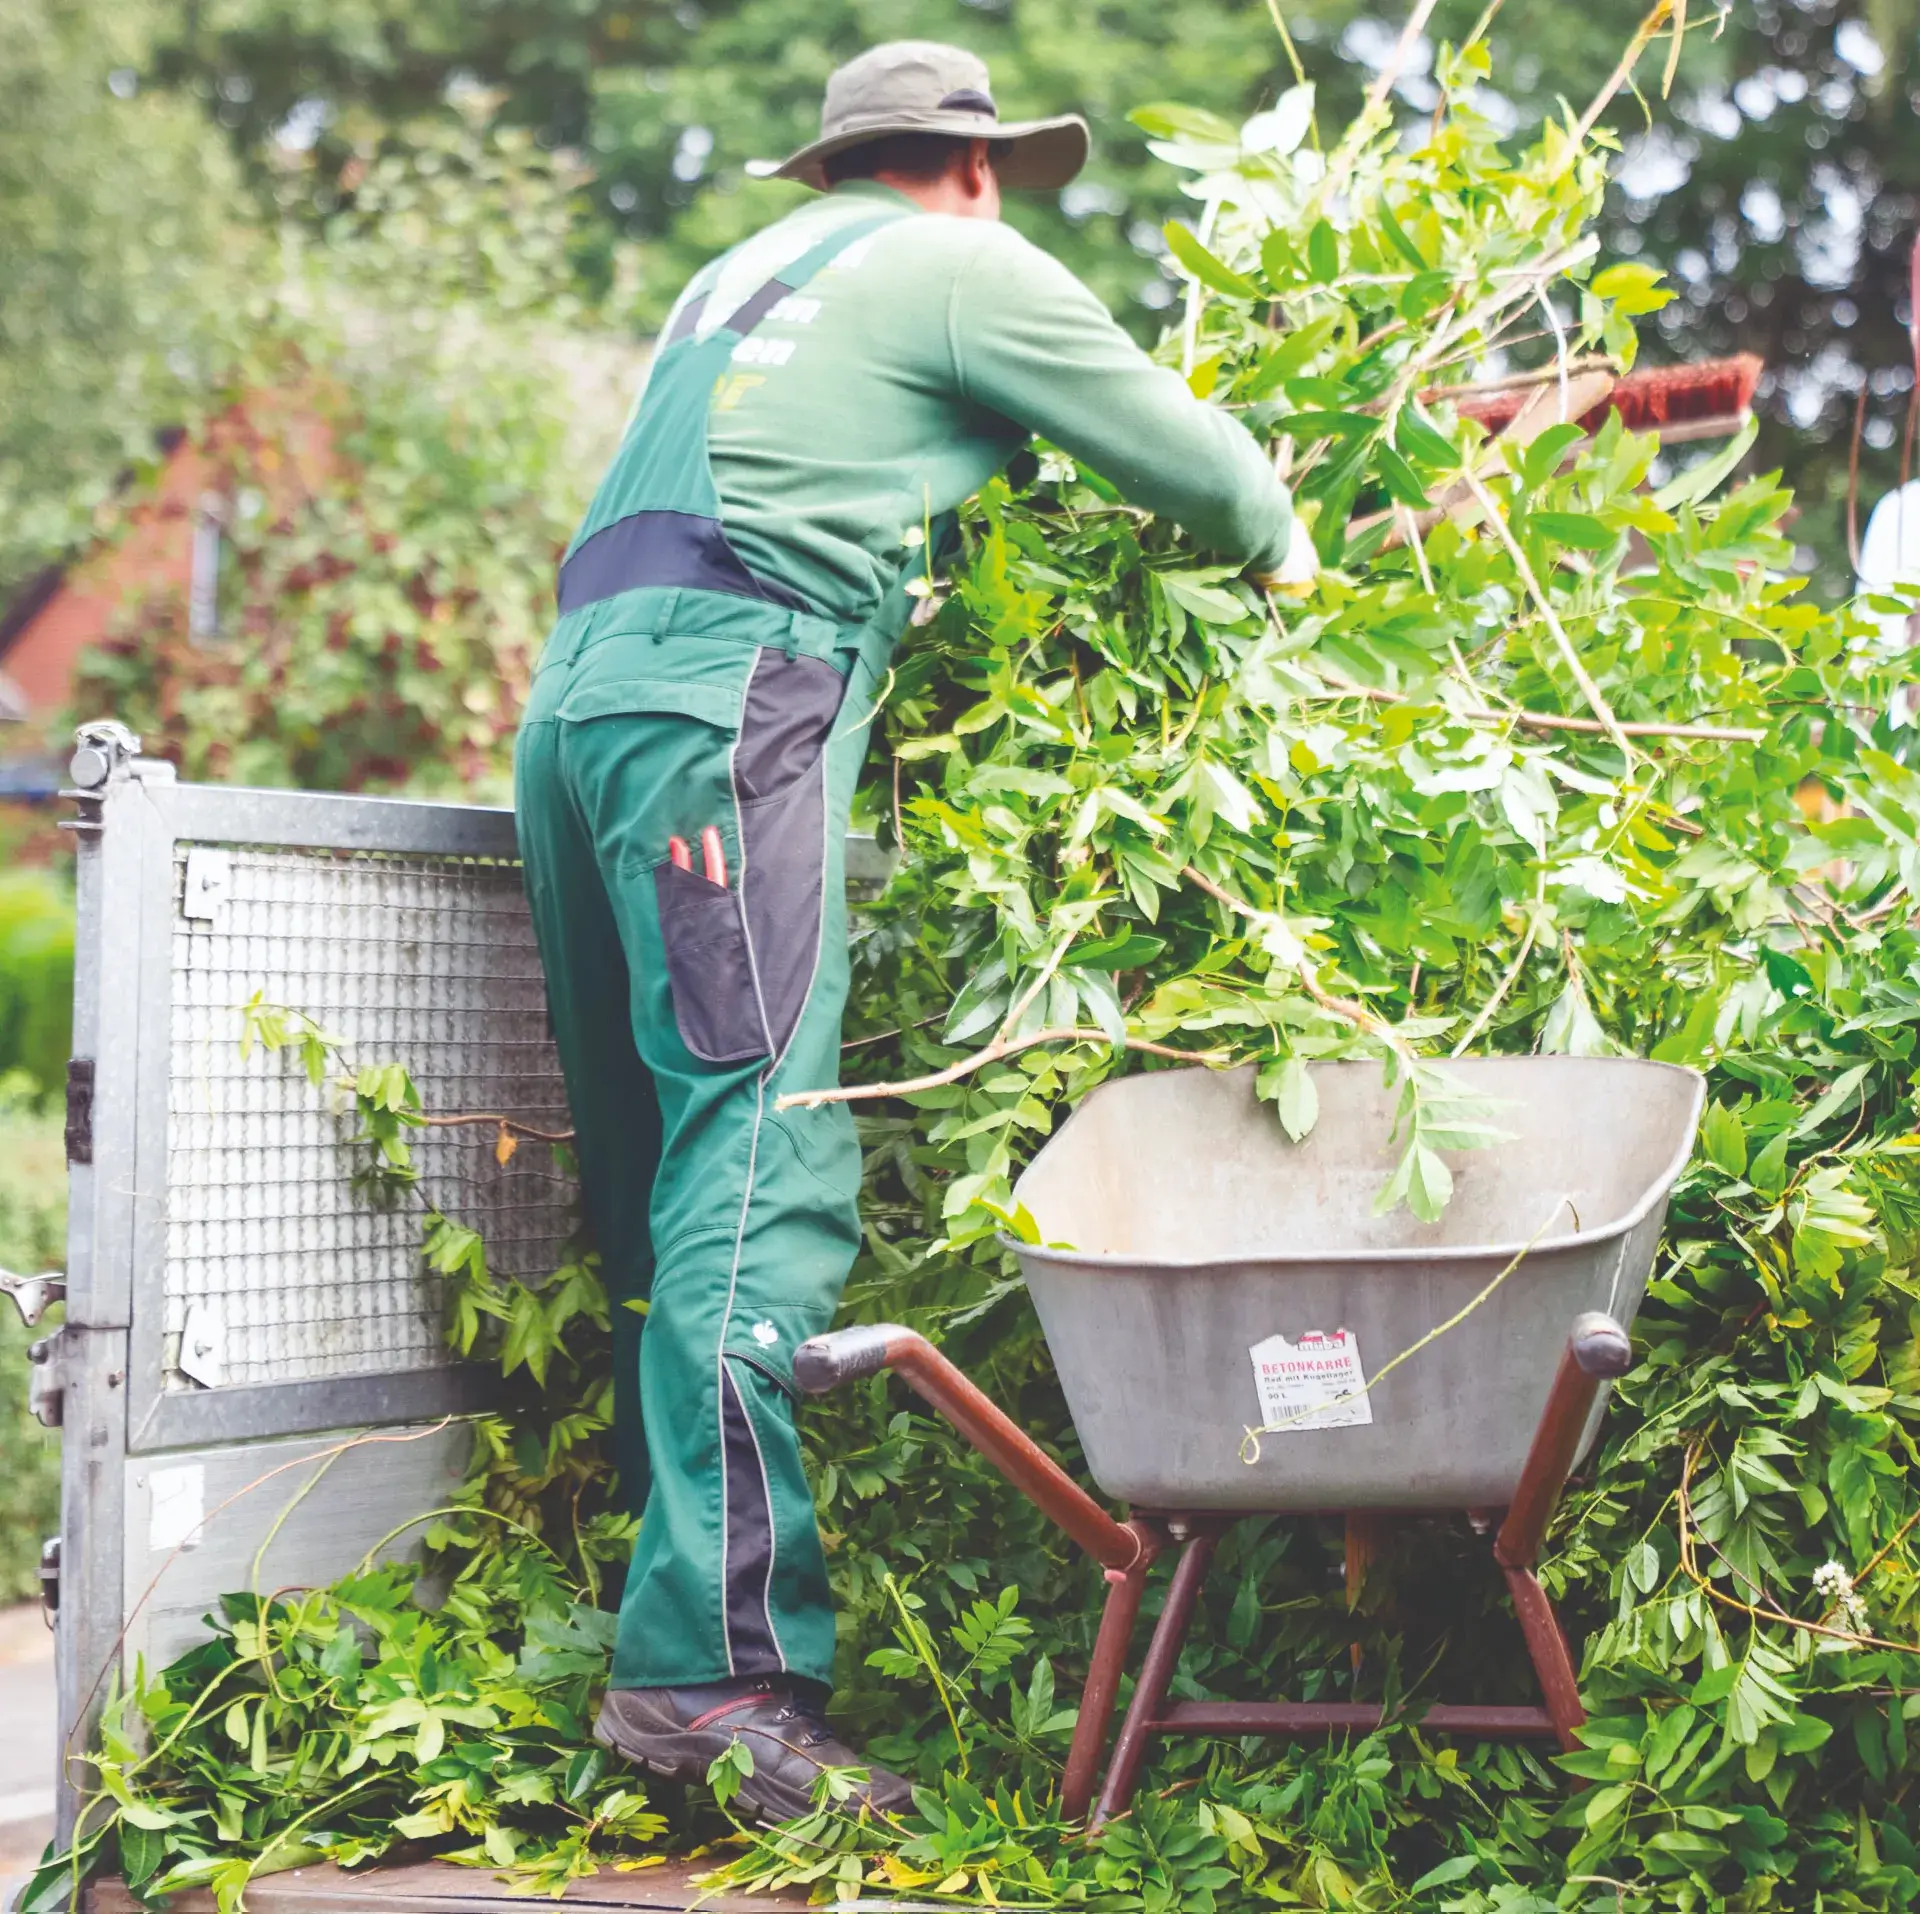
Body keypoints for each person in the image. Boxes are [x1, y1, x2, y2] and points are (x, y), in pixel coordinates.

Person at [513, 38, 1308, 1827]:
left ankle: (635, 1587)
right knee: (757, 1154)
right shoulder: (962, 265)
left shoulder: (733, 281)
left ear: (831, 169)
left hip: (578, 708)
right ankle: (709, 1679)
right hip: (729, 703)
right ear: (975, 169)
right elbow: (1201, 468)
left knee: (649, 1167)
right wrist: (1289, 548)